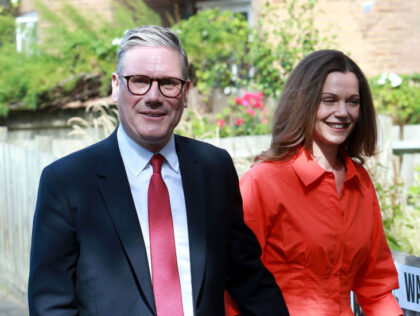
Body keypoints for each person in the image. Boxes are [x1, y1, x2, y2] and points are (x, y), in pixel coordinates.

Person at [28, 25, 289, 316]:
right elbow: (51, 306)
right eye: (139, 81)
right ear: (116, 87)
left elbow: (248, 279)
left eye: (168, 83)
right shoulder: (67, 183)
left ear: (186, 92)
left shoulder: (214, 170)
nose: (153, 96)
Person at [227, 50, 403, 315]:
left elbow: (376, 287)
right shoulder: (262, 181)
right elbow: (235, 286)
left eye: (352, 102)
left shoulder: (361, 182)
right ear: (304, 103)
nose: (342, 112)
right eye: (329, 100)